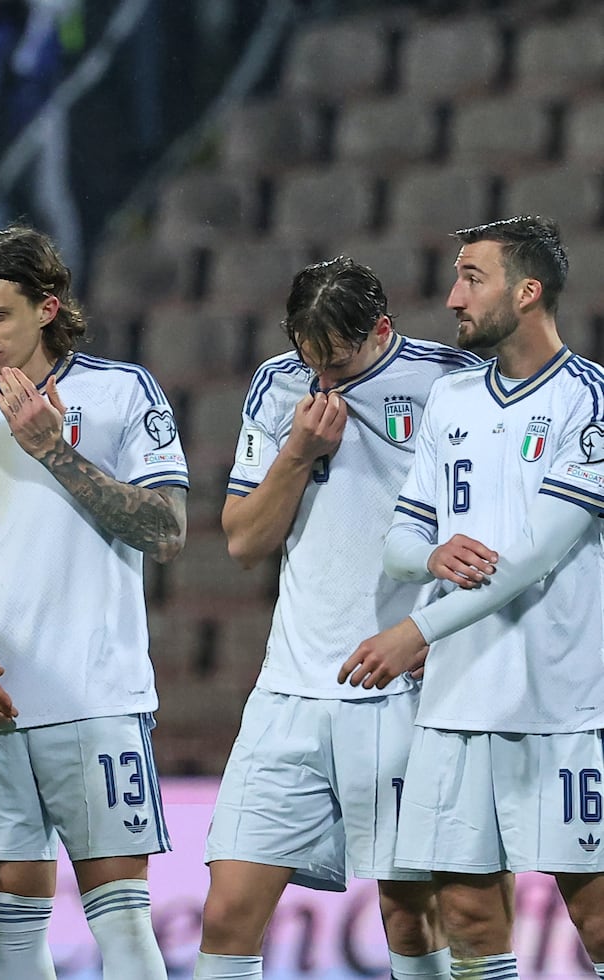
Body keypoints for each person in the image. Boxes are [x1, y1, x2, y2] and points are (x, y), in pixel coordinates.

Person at [0, 223, 188, 979]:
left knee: (123, 925)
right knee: (13, 930)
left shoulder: (122, 392)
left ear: (48, 308)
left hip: (96, 698)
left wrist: (54, 450)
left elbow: (166, 532)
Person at [195, 256, 480, 980]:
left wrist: (437, 635)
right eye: (308, 357)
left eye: (338, 362)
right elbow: (244, 539)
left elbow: (494, 538)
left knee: (409, 913)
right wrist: (299, 451)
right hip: (289, 689)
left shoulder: (454, 385)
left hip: (402, 691)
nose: (321, 378)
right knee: (227, 911)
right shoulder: (275, 383)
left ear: (382, 329)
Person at [338, 215, 604, 979]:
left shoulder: (588, 401)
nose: (453, 296)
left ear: (528, 291)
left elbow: (532, 556)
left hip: (561, 705)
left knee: (595, 914)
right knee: (466, 914)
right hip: (456, 707)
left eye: (472, 278)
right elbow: (395, 544)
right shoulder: (452, 400)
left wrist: (413, 631)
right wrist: (428, 552)